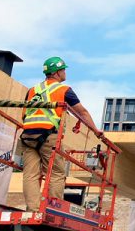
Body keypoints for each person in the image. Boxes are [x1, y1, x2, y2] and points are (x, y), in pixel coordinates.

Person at [21, 56, 101, 211]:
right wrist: (96, 131)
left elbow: (24, 114)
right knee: (56, 172)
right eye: (63, 69)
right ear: (57, 72)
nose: (65, 72)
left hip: (27, 135)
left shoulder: (32, 90)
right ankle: (53, 208)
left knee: (30, 174)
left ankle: (33, 209)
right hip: (48, 135)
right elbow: (82, 113)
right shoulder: (63, 90)